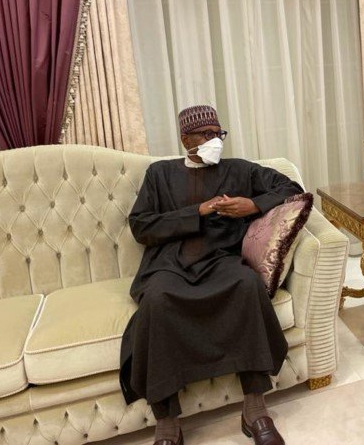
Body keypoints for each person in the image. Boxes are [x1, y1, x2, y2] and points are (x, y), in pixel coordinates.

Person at [120, 105, 301, 445]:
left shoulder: (239, 170)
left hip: (221, 258)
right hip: (169, 263)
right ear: (185, 139)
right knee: (157, 301)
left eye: (219, 133)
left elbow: (290, 187)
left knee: (247, 285)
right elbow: (141, 226)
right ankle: (167, 423)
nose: (215, 140)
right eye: (206, 135)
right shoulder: (160, 173)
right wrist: (196, 212)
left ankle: (255, 409)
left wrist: (254, 205)